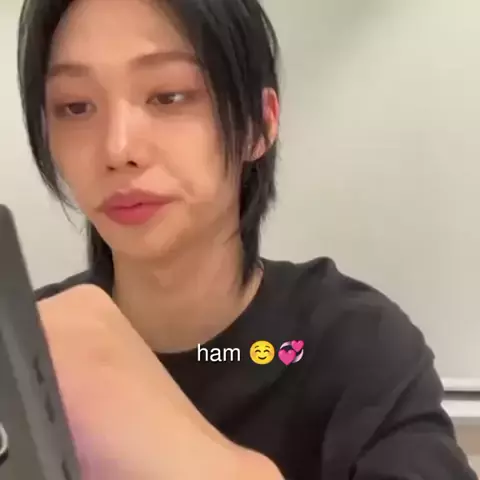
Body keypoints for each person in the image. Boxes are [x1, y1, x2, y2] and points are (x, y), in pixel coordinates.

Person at [17, 0, 477, 479]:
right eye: (75, 106)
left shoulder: (357, 347)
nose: (117, 149)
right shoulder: (29, 347)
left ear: (260, 123)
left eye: (169, 96)